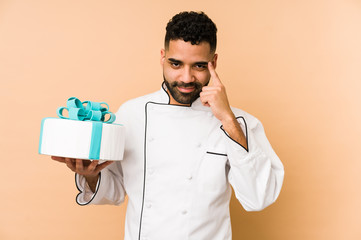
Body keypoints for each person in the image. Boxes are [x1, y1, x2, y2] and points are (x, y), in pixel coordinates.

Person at [52, 11, 284, 240]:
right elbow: (114, 190)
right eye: (176, 64)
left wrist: (227, 119)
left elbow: (258, 198)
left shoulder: (238, 123)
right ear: (163, 57)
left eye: (199, 66)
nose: (186, 77)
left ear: (213, 63)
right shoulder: (132, 113)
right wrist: (90, 175)